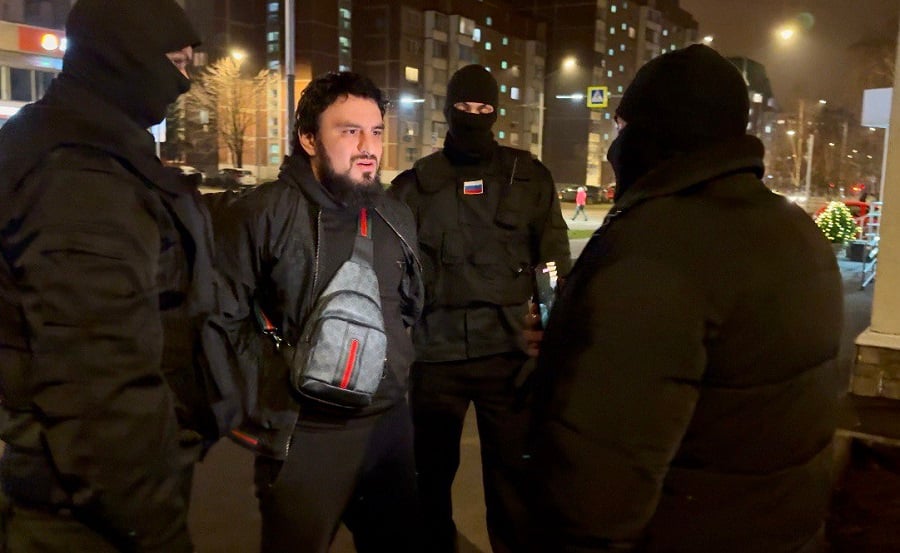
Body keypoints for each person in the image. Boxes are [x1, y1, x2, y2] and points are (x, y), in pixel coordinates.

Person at [527, 44, 843, 553]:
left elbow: (599, 488)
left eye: (622, 127)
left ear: (654, 132)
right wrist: (578, 341)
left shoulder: (657, 248)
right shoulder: (795, 229)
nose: (614, 146)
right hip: (783, 527)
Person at [0, 0, 242, 551]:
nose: (184, 83)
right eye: (176, 64)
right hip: (88, 513)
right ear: (124, 54)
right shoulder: (80, 171)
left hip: (93, 492)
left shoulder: (91, 146)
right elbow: (99, 389)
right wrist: (154, 529)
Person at [210, 71, 424, 553]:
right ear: (309, 139)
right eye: (350, 131)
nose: (368, 147)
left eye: (376, 131)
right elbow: (220, 319)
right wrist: (273, 393)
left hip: (389, 428)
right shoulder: (266, 212)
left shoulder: (395, 214)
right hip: (306, 433)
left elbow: (410, 307)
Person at [389, 63, 571, 553]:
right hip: (436, 358)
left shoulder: (528, 178)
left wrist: (551, 331)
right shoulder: (413, 186)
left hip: (509, 357)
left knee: (513, 485)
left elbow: (553, 262)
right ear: (448, 110)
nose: (473, 115)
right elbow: (390, 273)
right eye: (464, 106)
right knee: (429, 481)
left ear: (496, 112)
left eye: (484, 107)